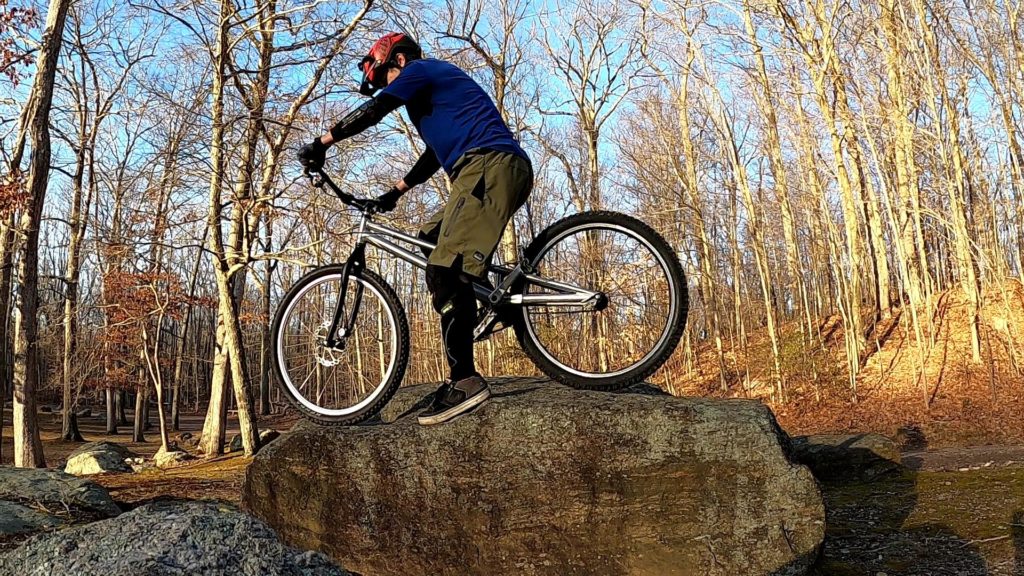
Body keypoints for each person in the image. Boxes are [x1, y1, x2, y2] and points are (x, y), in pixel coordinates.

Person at [297, 32, 532, 425]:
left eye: (383, 76)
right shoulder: (433, 98)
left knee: (444, 269)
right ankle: (488, 297)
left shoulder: (420, 70)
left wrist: (323, 142)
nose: (386, 86)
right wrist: (396, 191)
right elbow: (432, 156)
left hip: (488, 166)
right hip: (485, 169)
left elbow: (374, 110)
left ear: (399, 62)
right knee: (429, 239)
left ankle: (466, 381)